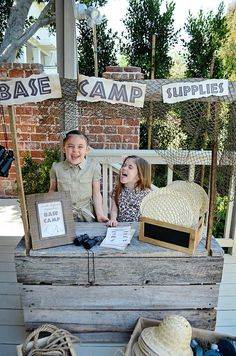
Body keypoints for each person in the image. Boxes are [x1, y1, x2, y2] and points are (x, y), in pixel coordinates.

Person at [49, 130, 108, 223]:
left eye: (80, 147)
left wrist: (100, 214)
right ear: (63, 149)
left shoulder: (93, 167)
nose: (75, 150)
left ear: (87, 150)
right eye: (70, 146)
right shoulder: (56, 168)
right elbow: (52, 190)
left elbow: (96, 193)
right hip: (63, 216)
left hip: (87, 216)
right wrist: (50, 210)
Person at [107, 155, 151, 226]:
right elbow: (114, 210)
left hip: (138, 228)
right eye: (124, 165)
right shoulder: (117, 190)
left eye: (130, 167)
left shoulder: (147, 194)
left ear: (139, 175)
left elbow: (148, 215)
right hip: (121, 227)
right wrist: (113, 219)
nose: (124, 168)